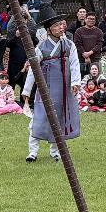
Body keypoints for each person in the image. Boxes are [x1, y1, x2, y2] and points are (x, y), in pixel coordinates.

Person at [22, 11, 82, 163]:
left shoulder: (69, 44)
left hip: (63, 89)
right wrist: (27, 90)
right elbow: (33, 70)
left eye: (62, 24)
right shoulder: (41, 47)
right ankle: (32, 151)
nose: (61, 28)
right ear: (49, 29)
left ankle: (56, 151)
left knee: (59, 119)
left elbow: (75, 64)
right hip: (46, 89)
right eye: (56, 25)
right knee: (38, 119)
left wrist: (75, 82)